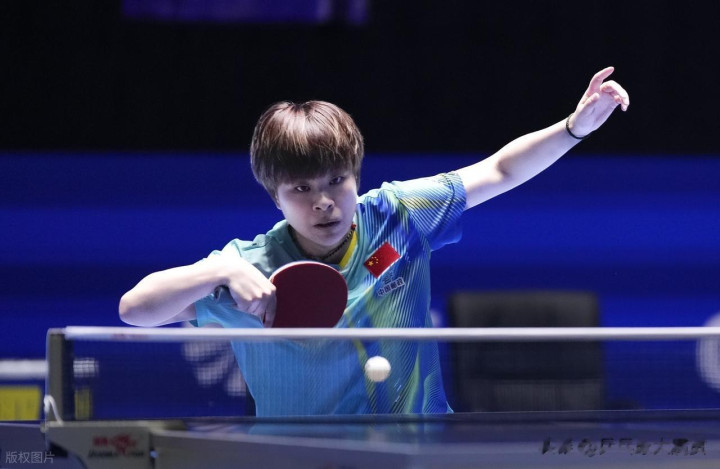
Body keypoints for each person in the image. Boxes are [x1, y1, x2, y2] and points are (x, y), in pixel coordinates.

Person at [119, 67, 629, 416]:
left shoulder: (399, 215)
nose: (324, 202)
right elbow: (134, 310)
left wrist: (573, 128)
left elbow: (499, 170)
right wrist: (217, 271)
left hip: (419, 453)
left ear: (356, 176)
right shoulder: (250, 268)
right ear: (274, 197)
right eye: (301, 189)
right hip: (296, 458)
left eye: (336, 180)